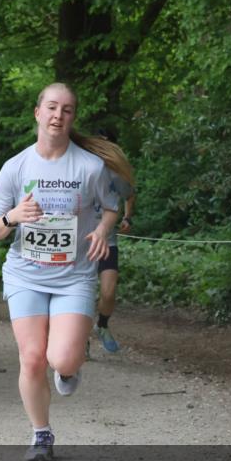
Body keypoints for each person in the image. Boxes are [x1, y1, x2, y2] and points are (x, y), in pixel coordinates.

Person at [0, 83, 120, 461]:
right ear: (38, 113)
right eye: (52, 108)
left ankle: (69, 366)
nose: (59, 116)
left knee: (63, 360)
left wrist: (102, 230)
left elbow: (112, 206)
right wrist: (13, 217)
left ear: (72, 118)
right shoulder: (16, 167)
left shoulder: (90, 167)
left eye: (68, 110)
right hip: (26, 274)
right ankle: (41, 434)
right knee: (31, 358)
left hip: (73, 276)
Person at [92, 131, 136, 353]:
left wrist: (127, 217)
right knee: (82, 293)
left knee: (108, 293)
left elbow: (129, 195)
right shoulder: (74, 170)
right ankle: (79, 339)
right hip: (80, 244)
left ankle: (102, 325)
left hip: (107, 241)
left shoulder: (114, 175)